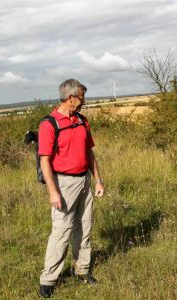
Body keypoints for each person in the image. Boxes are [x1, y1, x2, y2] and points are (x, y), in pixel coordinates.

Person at [38, 79, 104, 298]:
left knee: (85, 228)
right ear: (70, 98)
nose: (84, 101)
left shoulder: (82, 121)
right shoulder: (49, 124)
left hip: (84, 180)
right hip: (63, 184)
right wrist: (53, 191)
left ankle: (82, 271)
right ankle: (48, 280)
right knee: (62, 232)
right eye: (82, 97)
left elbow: (90, 153)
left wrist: (98, 180)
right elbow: (45, 161)